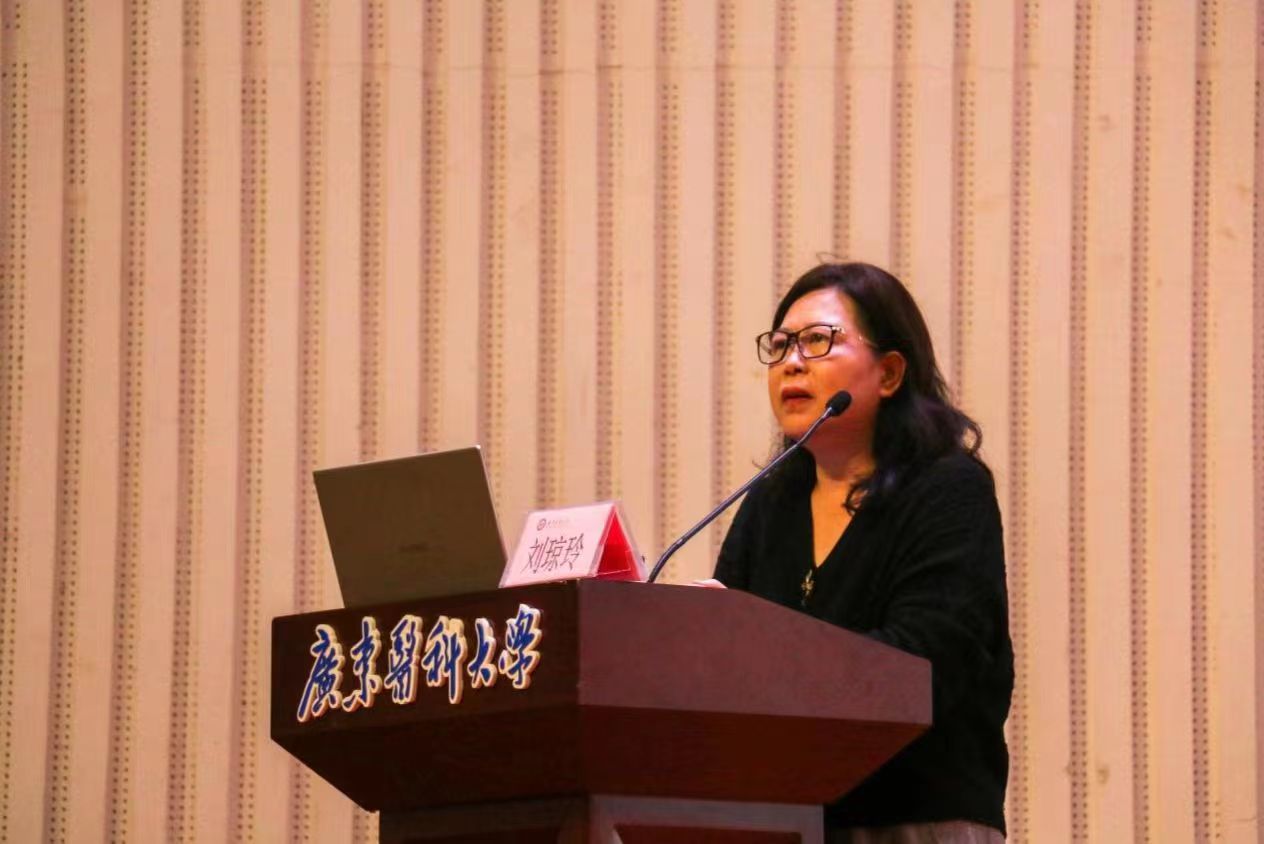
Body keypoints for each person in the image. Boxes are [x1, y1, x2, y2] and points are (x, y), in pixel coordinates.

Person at [713, 262, 1013, 843]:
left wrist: (764, 654)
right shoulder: (771, 502)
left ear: (891, 373)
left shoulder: (948, 489)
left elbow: (926, 663)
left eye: (817, 341)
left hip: (918, 821)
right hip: (788, 822)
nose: (792, 362)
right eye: (780, 346)